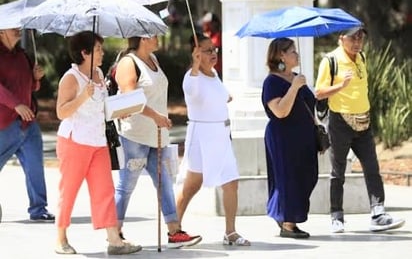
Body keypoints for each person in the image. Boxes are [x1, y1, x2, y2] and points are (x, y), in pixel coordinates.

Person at [55, 31, 141, 255]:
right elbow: (61, 112)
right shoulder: (70, 78)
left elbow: (101, 107)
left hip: (98, 141)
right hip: (75, 142)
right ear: (84, 53)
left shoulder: (99, 73)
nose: (103, 53)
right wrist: (82, 96)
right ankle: (61, 238)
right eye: (98, 49)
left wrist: (118, 111)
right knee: (69, 191)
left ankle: (114, 240)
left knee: (105, 191)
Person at [114, 36, 201, 249]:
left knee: (164, 183)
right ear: (143, 38)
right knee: (127, 185)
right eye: (153, 34)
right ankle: (114, 233)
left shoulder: (153, 59)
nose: (158, 37)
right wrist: (156, 116)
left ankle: (174, 231)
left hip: (157, 135)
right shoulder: (129, 62)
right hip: (135, 135)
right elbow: (130, 98)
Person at [315, 27, 405, 233]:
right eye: (352, 38)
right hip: (340, 122)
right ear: (341, 39)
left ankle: (378, 214)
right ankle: (336, 216)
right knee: (338, 172)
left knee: (372, 168)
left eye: (360, 38)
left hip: (364, 121)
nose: (357, 42)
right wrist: (341, 85)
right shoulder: (330, 61)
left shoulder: (361, 57)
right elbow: (319, 93)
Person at [175, 33, 250, 246]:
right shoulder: (192, 76)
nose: (213, 53)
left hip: (221, 136)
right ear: (196, 53)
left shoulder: (214, 74)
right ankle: (174, 227)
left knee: (231, 182)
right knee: (191, 185)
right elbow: (192, 92)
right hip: (201, 137)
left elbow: (224, 95)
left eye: (214, 49)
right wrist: (196, 65)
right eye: (208, 50)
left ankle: (230, 231)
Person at [261, 38, 318, 239]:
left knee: (308, 176)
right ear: (281, 55)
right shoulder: (272, 81)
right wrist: (294, 87)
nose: (297, 54)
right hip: (283, 138)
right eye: (292, 51)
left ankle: (286, 216)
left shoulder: (296, 77)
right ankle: (287, 222)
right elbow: (280, 111)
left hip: (304, 137)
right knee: (288, 179)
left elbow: (311, 103)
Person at [0, 27, 54, 222]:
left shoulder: (23, 55)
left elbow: (29, 86)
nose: (17, 30)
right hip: (4, 124)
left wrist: (36, 79)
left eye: (18, 27)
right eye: (12, 27)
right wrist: (16, 105)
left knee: (35, 167)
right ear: (0, 31)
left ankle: (39, 209)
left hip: (28, 123)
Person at [202, 12, 222, 79]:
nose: (206, 27)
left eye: (208, 24)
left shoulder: (219, 36)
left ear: (214, 23)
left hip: (218, 69)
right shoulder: (207, 35)